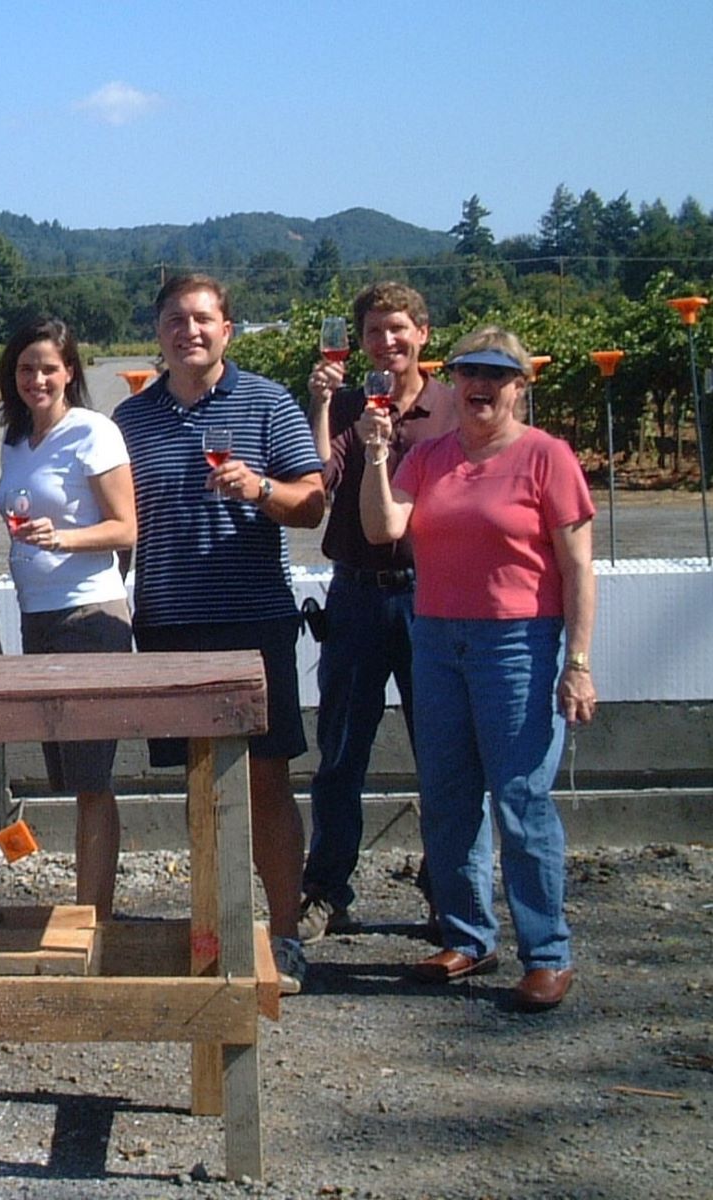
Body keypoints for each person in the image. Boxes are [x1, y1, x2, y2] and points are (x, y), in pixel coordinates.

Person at [361, 327, 596, 1012]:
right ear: (454, 380)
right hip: (436, 639)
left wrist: (576, 663)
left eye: (497, 375)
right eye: (469, 372)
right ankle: (467, 935)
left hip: (517, 644)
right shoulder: (430, 456)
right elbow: (383, 530)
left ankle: (547, 954)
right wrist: (378, 459)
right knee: (448, 796)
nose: (480, 385)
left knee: (521, 802)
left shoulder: (546, 457)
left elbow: (579, 570)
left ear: (520, 385)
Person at [114, 274, 326, 992]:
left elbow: (313, 504)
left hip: (253, 620)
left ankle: (287, 932)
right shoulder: (131, 420)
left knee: (267, 779)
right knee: (201, 789)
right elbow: (120, 520)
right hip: (171, 622)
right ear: (160, 332)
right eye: (176, 319)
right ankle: (215, 929)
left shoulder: (268, 402)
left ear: (228, 330)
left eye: (203, 319)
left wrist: (261, 489)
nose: (190, 331)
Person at [298, 282, 457, 941]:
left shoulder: (454, 407)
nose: (385, 342)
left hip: (437, 595)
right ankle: (327, 891)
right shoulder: (354, 405)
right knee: (339, 753)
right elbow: (315, 477)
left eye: (397, 329)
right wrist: (324, 402)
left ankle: (449, 889)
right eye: (373, 332)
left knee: (445, 753)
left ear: (422, 333)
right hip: (358, 594)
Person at [0, 317, 137, 919]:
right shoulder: (15, 441)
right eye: (27, 369)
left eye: (49, 367)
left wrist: (66, 539)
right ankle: (88, 911)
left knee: (93, 779)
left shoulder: (93, 433)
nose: (38, 379)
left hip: (90, 617)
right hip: (39, 619)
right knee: (72, 776)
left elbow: (126, 528)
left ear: (70, 371)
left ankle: (94, 916)